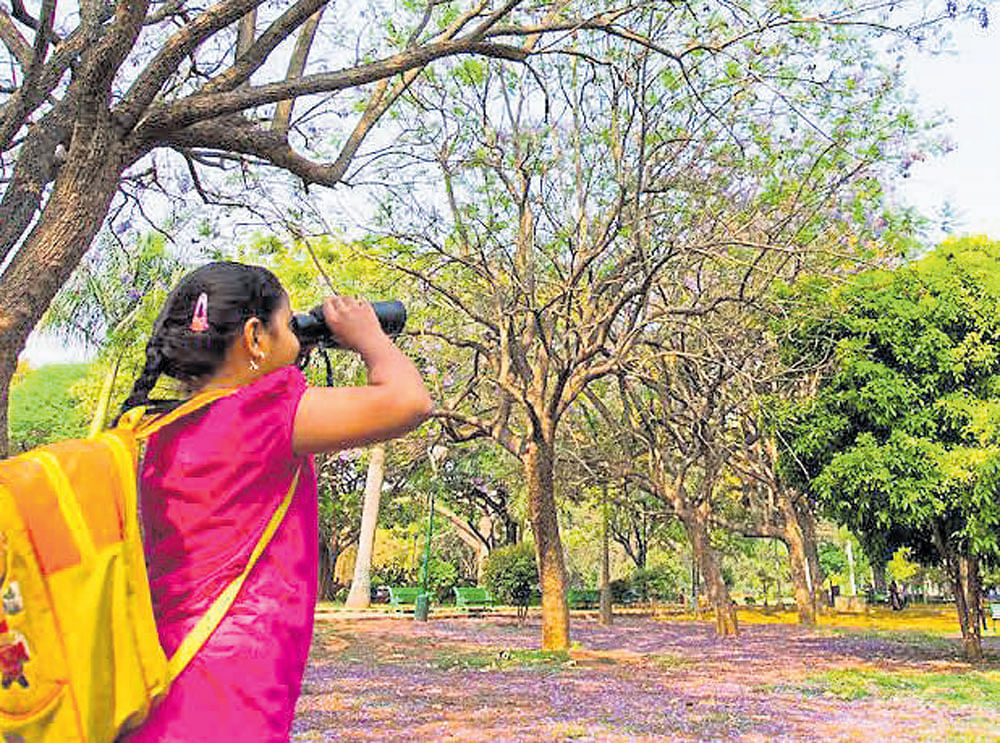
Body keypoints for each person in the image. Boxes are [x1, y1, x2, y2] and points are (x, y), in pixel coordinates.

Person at [119, 261, 433, 742]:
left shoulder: (162, 432)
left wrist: (286, 345)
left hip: (166, 675)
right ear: (254, 337)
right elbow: (409, 402)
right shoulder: (259, 415)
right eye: (288, 324)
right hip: (227, 686)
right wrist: (369, 336)